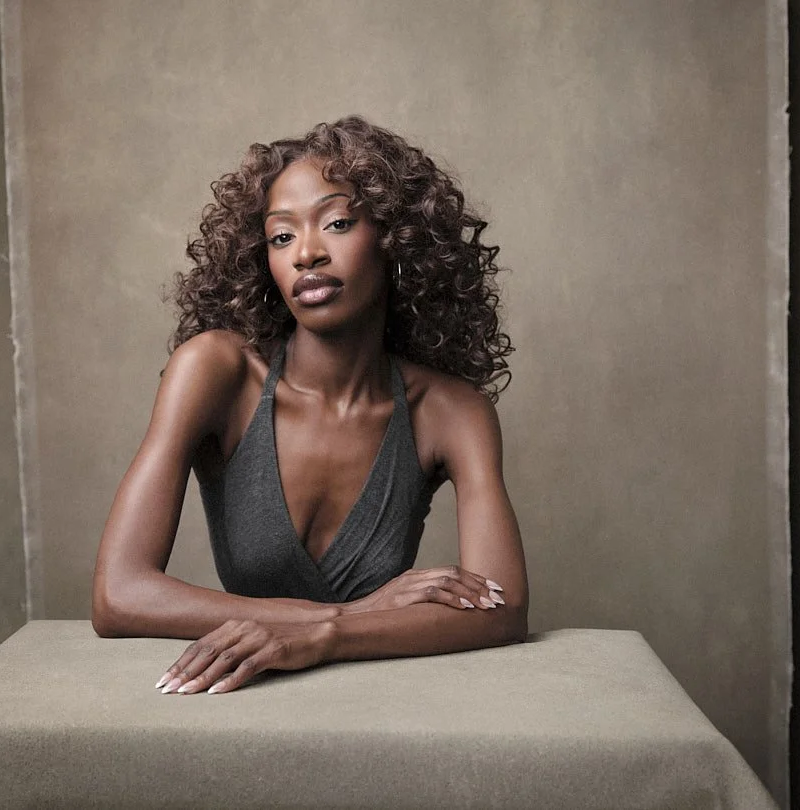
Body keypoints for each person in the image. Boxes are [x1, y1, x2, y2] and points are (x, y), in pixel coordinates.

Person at [92, 116, 528, 695]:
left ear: (396, 238)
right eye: (281, 236)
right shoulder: (215, 371)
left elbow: (502, 610)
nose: (307, 254)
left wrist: (326, 638)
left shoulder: (450, 411)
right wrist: (357, 614)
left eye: (338, 223)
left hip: (384, 715)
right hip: (236, 705)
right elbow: (118, 595)